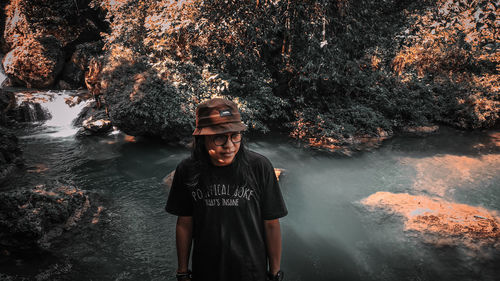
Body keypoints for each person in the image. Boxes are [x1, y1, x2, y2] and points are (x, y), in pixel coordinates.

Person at [165, 98, 288, 281]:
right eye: (220, 137)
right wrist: (182, 271)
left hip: (251, 272)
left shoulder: (259, 167)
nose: (229, 146)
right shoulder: (187, 170)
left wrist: (275, 272)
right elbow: (184, 223)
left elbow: (271, 223)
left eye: (235, 136)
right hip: (206, 272)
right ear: (202, 138)